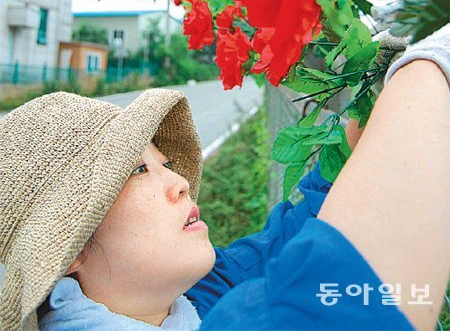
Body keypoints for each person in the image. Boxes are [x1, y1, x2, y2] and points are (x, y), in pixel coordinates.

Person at [0, 24, 448, 331]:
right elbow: (326, 306)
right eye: (137, 170)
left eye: (165, 165)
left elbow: (294, 234)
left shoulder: (196, 295)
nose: (179, 185)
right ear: (71, 247)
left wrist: (363, 126)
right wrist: (428, 74)